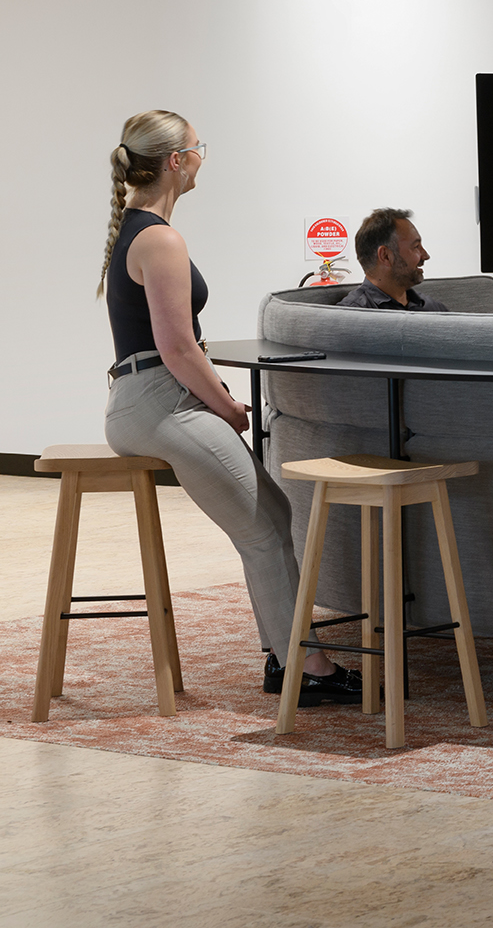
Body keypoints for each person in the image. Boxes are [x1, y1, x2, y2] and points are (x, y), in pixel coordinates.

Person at [98, 110, 361, 706]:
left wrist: (210, 399)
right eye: (199, 148)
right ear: (176, 161)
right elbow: (176, 347)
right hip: (159, 402)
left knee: (270, 515)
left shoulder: (139, 228)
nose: (202, 159)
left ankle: (286, 656)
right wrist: (226, 407)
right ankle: (305, 668)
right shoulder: (159, 238)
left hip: (148, 396)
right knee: (264, 527)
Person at [338, 208, 449, 311]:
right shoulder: (350, 317)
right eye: (416, 247)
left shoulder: (434, 309)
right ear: (386, 256)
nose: (426, 256)